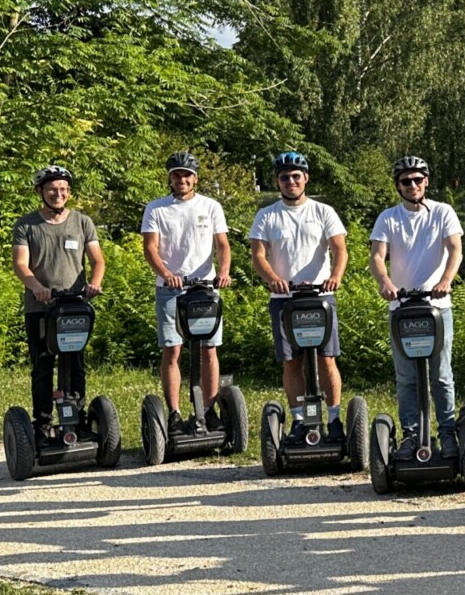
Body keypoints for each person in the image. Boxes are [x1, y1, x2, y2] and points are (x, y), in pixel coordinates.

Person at [369, 155, 465, 456]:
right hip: (401, 308)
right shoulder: (388, 217)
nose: (412, 185)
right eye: (405, 181)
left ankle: (448, 433)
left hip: (437, 307)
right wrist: (385, 282)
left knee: (441, 374)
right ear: (398, 185)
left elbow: (455, 250)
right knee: (407, 377)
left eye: (417, 180)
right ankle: (410, 435)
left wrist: (446, 280)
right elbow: (376, 257)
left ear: (426, 181)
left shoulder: (443, 212)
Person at [246, 150, 345, 426]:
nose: (291, 181)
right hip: (284, 298)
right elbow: (258, 256)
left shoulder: (323, 212)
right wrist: (273, 278)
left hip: (320, 297)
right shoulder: (266, 216)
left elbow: (339, 249)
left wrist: (335, 276)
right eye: (284, 177)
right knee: (292, 362)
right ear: (278, 182)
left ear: (306, 179)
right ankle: (300, 421)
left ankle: (334, 419)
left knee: (327, 359)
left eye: (296, 176)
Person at [12, 164, 107, 428]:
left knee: (75, 363)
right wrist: (36, 287)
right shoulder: (26, 225)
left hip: (75, 305)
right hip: (40, 307)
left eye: (63, 189)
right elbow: (21, 264)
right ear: (40, 191)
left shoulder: (82, 222)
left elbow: (97, 260)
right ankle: (42, 421)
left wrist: (94, 284)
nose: (58, 194)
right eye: (52, 189)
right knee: (43, 364)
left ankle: (77, 414)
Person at [141, 152, 234, 419]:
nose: (182, 179)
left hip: (205, 287)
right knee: (172, 349)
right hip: (170, 288)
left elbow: (222, 245)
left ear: (195, 178)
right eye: (177, 174)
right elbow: (150, 248)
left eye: (187, 175)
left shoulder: (211, 206)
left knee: (209, 348)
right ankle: (174, 412)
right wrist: (167, 273)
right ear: (170, 178)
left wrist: (224, 271)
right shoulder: (156, 208)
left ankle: (208, 409)